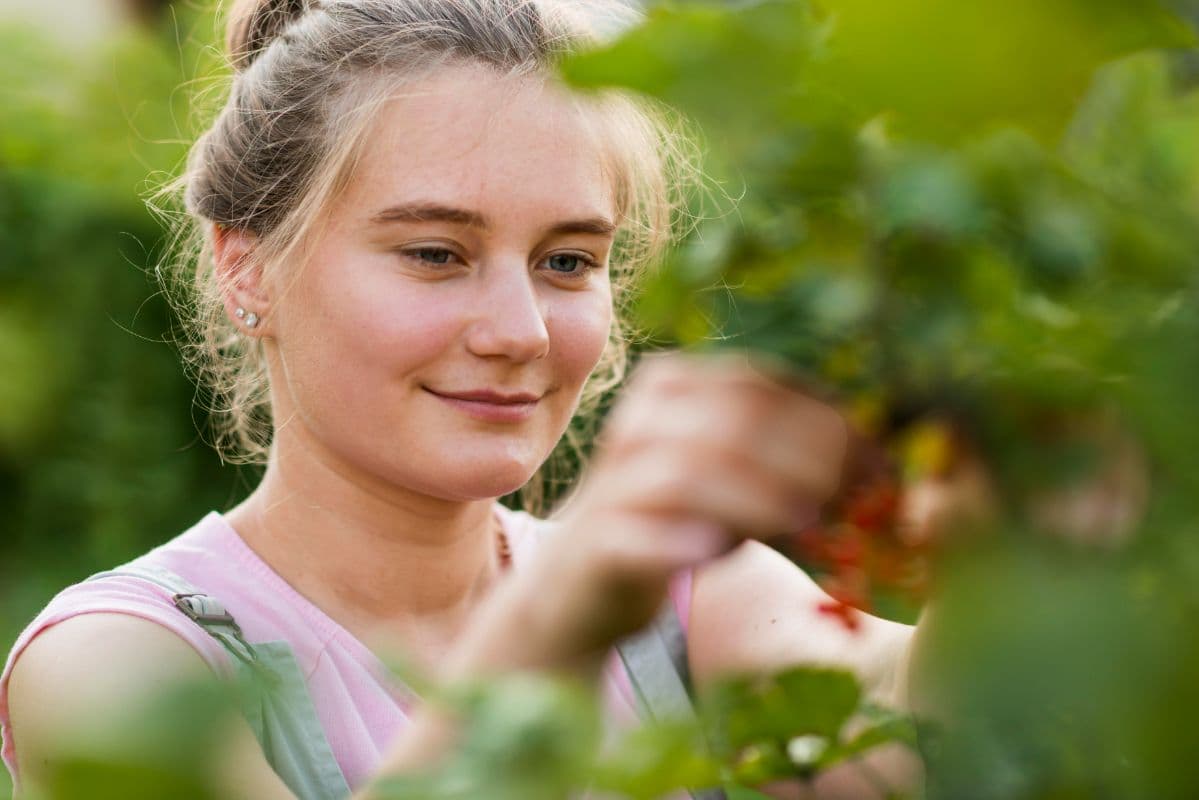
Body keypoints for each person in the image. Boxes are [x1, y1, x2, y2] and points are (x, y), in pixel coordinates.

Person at [0, 1, 923, 798]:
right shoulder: (115, 668)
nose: (519, 331)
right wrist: (566, 605)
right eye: (435, 253)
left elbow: (952, 736)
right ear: (246, 266)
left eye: (567, 262)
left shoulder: (693, 598)